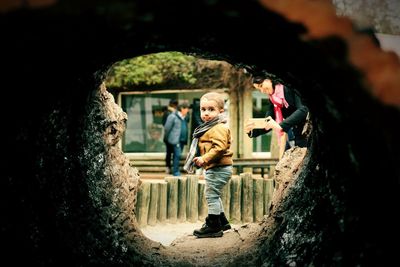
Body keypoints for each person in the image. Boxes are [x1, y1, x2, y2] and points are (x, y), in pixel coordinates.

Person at [183, 92, 233, 238]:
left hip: (219, 167)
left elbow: (220, 148)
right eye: (203, 109)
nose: (206, 113)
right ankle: (222, 221)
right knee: (214, 195)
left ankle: (214, 226)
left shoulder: (219, 127)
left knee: (211, 195)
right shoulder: (209, 127)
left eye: (211, 109)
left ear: (220, 112)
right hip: (216, 167)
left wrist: (204, 159)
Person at [245, 72, 309, 154]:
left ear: (269, 79)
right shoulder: (273, 100)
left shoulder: (290, 86)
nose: (262, 91)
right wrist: (251, 131)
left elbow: (303, 109)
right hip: (298, 137)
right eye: (258, 89)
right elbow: (268, 123)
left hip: (310, 133)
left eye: (261, 86)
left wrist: (280, 126)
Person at [163, 103, 190, 176]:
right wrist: (167, 139)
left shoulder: (185, 117)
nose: (188, 111)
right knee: (177, 155)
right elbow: (167, 128)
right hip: (175, 140)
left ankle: (174, 170)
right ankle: (175, 172)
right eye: (187, 109)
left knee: (177, 155)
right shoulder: (172, 116)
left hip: (182, 140)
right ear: (182, 109)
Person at [162, 99, 179, 173]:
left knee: (170, 152)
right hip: (169, 135)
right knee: (170, 152)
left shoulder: (169, 112)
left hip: (170, 135)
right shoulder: (170, 113)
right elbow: (165, 125)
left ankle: (168, 167)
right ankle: (168, 167)